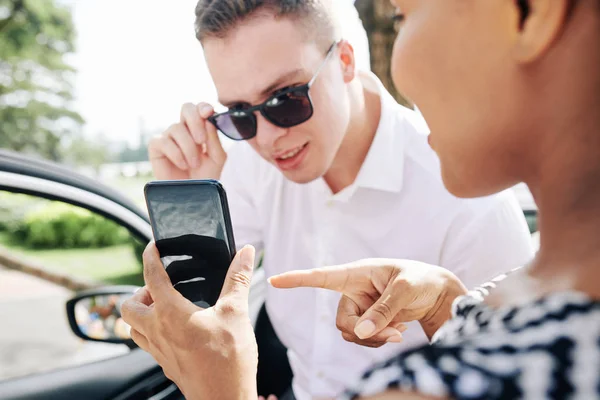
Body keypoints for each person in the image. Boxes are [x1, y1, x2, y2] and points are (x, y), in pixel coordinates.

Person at [122, 0, 600, 398]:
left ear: (346, 61)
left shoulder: (473, 205)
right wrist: (190, 208)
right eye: (241, 115)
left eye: (402, 14)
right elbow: (200, 305)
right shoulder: (249, 163)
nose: (265, 137)